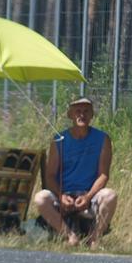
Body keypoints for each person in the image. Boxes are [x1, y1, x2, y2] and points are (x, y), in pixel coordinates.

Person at [32, 97, 118, 248]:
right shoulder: (59, 140)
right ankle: (69, 237)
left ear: (92, 115)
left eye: (86, 111)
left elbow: (103, 175)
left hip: (89, 195)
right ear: (70, 115)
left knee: (110, 195)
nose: (82, 115)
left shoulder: (103, 139)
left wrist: (88, 197)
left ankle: (94, 238)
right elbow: (50, 175)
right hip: (64, 195)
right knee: (40, 198)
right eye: (77, 111)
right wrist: (61, 196)